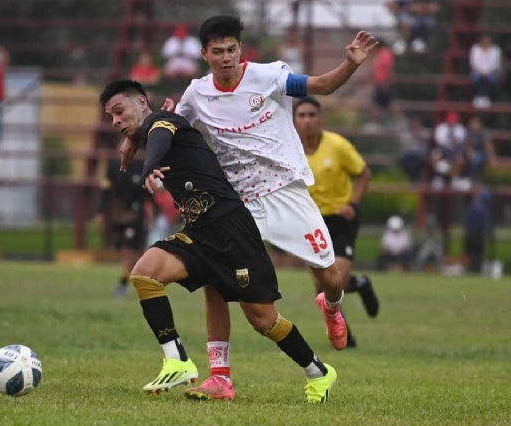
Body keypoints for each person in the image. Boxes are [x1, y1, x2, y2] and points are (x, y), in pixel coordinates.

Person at [120, 15, 377, 400]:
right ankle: (220, 376)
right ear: (204, 54)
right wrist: (135, 140)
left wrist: (351, 65)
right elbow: (169, 126)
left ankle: (332, 307)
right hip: (236, 203)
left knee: (329, 277)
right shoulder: (197, 93)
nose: (226, 57)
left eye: (232, 49)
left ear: (240, 49)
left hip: (285, 192)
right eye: (218, 51)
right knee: (213, 280)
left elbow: (320, 85)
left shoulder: (270, 75)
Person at [100, 79, 338, 403]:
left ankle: (318, 372)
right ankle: (179, 361)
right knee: (145, 273)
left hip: (231, 229)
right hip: (199, 232)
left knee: (262, 319)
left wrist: (149, 167)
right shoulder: (152, 129)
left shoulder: (163, 122)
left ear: (142, 102)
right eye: (110, 116)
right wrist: (136, 143)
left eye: (119, 110)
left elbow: (159, 134)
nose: (115, 120)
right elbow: (152, 137)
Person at [294, 96, 379, 348]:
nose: (307, 120)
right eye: (302, 115)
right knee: (321, 284)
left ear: (320, 119)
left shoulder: (337, 145)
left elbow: (364, 174)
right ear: (295, 121)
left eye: (311, 115)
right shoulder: (291, 150)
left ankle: (359, 284)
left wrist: (352, 204)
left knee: (336, 280)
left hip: (340, 219)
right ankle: (345, 335)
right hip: (310, 222)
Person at [97, 159, 151, 298]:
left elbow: (147, 191)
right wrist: (101, 211)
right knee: (134, 253)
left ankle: (122, 285)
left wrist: (151, 207)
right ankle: (148, 278)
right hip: (119, 215)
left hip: (136, 216)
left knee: (129, 251)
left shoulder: (141, 166)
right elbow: (106, 190)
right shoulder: (114, 166)